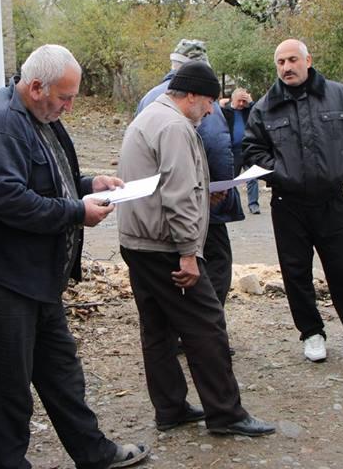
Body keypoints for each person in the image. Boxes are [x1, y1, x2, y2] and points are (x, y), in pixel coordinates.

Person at [0, 44, 149, 469]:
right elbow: (5, 198)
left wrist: (88, 184)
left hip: (39, 281)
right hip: (7, 284)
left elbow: (50, 178)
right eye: (64, 97)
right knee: (7, 391)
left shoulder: (39, 116)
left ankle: (95, 453)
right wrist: (76, 212)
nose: (69, 106)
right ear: (34, 87)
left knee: (63, 375)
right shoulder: (0, 125)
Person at [118, 60, 276, 437]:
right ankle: (226, 414)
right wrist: (189, 253)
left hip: (138, 241)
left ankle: (170, 408)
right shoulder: (175, 126)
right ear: (190, 95)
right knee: (207, 325)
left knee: (156, 329)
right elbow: (180, 194)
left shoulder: (150, 116)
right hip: (166, 246)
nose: (210, 110)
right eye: (207, 102)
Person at [242, 39, 343, 365]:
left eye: (292, 60)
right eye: (280, 62)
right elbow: (252, 150)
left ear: (308, 60)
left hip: (331, 200)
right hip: (288, 203)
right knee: (296, 273)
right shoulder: (265, 106)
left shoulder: (339, 95)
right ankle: (312, 333)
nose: (287, 67)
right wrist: (280, 174)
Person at [137, 39, 243, 308]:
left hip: (154, 208)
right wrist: (221, 190)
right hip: (199, 202)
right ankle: (207, 332)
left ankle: (176, 331)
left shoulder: (150, 97)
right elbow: (218, 145)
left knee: (167, 272)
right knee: (215, 264)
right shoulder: (200, 97)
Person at [221, 87, 260, 214]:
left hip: (248, 149)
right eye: (239, 101)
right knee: (231, 179)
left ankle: (253, 204)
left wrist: (251, 102)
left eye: (244, 101)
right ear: (233, 99)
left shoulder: (249, 110)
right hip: (233, 150)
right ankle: (230, 205)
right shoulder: (225, 111)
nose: (242, 104)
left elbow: (261, 113)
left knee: (252, 177)